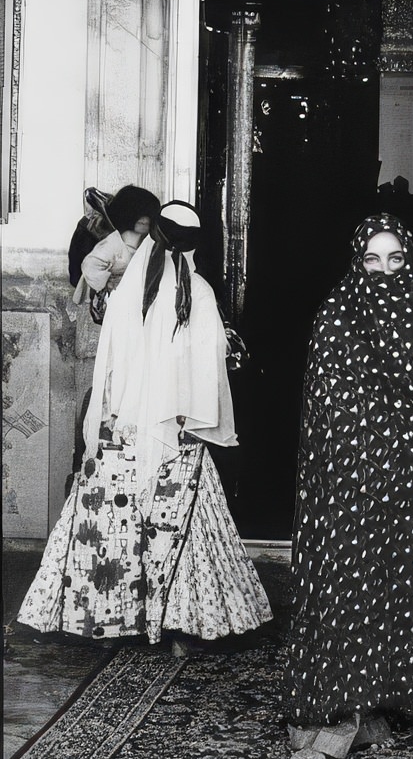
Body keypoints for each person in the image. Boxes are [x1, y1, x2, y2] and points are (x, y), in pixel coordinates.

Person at [19, 200, 272, 648]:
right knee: (183, 524)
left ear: (154, 235)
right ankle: (181, 618)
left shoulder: (125, 293)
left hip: (120, 432)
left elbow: (110, 370)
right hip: (177, 434)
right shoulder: (201, 293)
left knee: (111, 523)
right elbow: (209, 376)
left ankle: (108, 622)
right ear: (195, 247)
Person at [287, 214, 413, 759]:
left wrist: (402, 451)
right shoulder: (337, 317)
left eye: (395, 259)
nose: (384, 271)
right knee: (352, 579)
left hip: (410, 480)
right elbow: (324, 403)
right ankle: (346, 699)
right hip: (349, 480)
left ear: (409, 261)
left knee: (400, 575)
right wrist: (365, 451)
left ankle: (388, 693)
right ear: (358, 263)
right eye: (372, 261)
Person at [75, 184, 162, 321]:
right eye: (139, 215)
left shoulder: (148, 244)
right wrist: (108, 283)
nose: (144, 220)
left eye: (148, 215)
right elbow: (90, 265)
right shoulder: (114, 243)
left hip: (134, 304)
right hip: (114, 305)